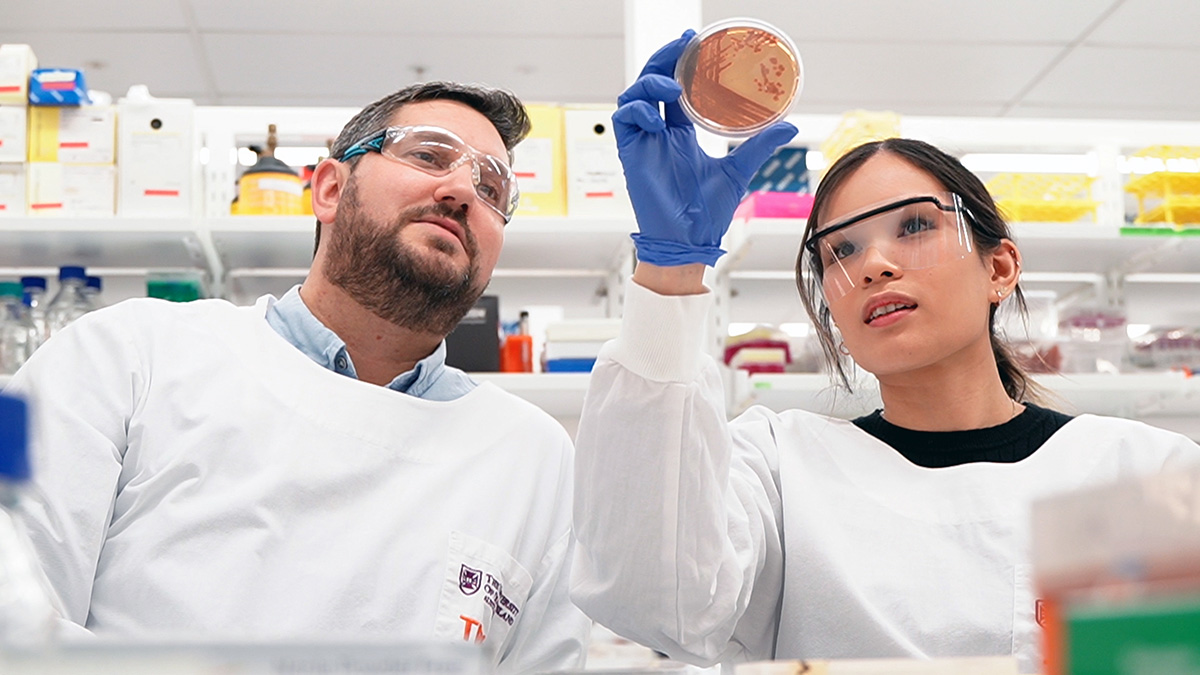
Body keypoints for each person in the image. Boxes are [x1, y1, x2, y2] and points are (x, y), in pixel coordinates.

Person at [569, 31, 1200, 675]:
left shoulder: (1142, 474)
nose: (873, 265)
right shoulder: (782, 469)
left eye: (916, 226)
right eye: (840, 251)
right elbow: (657, 601)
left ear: (1000, 267)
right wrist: (670, 270)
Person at [4, 82, 590, 674]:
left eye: (492, 188)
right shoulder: (130, 354)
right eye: (428, 155)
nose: (463, 189)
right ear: (331, 189)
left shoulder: (534, 457)